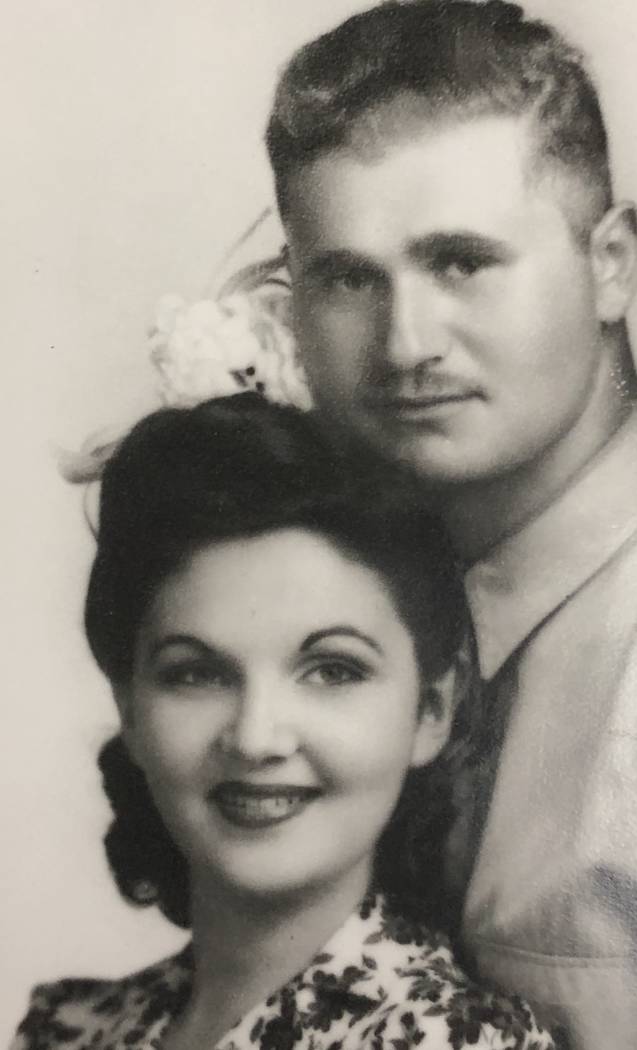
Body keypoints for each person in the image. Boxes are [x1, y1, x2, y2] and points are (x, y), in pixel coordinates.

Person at [264, 1, 637, 1046]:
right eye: (349, 280)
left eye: (460, 261)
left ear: (610, 263)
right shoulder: (339, 606)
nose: (406, 343)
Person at [11, 394, 554, 1050]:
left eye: (332, 670)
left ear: (432, 708)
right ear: (129, 706)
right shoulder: (70, 1030)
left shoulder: (454, 1041)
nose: (255, 737)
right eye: (196, 673)